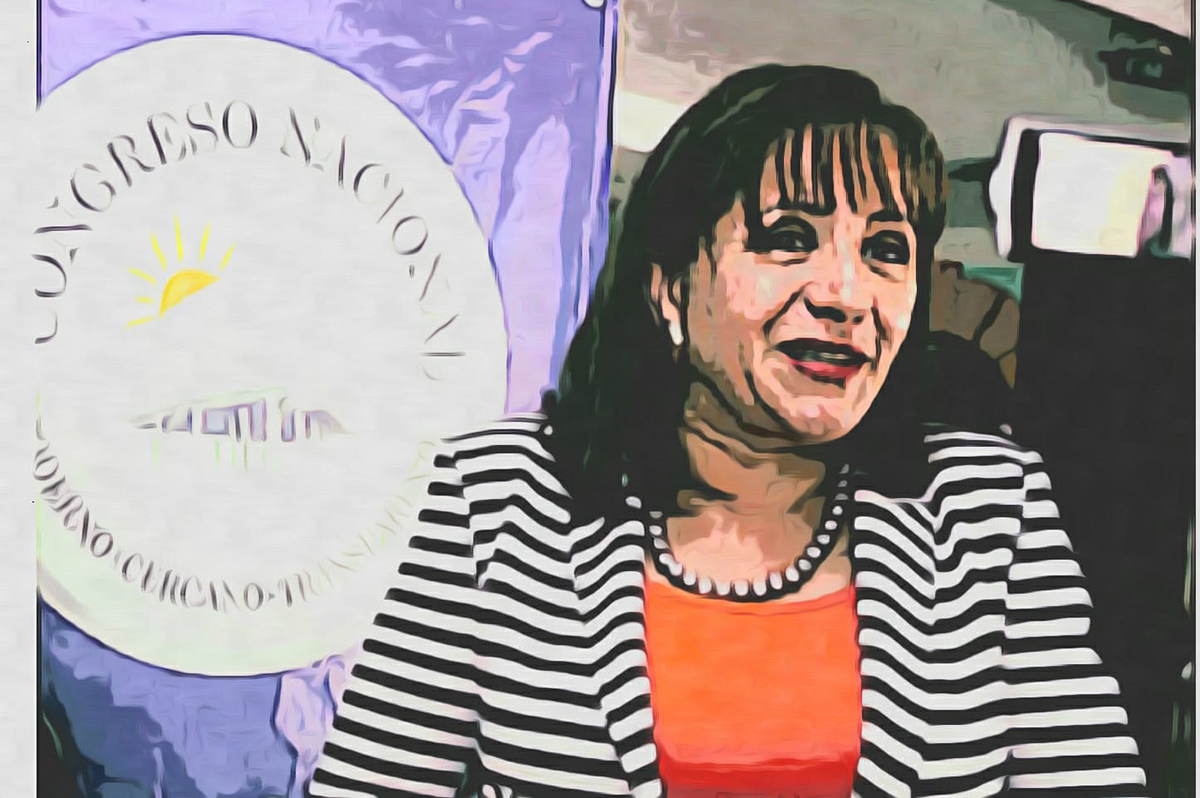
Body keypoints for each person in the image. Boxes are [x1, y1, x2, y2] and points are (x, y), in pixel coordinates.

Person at [306, 66, 1146, 798]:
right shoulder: (497, 498)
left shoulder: (990, 507)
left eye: (887, 250)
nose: (847, 293)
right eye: (789, 239)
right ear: (670, 288)